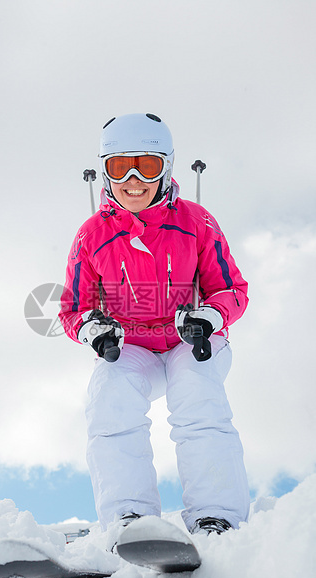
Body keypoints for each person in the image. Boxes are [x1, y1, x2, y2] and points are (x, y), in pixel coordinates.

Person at [59, 113, 250, 546]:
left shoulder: (195, 221)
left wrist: (209, 318)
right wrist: (92, 329)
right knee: (110, 399)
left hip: (191, 340)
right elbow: (74, 306)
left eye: (146, 166)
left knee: (198, 398)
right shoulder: (92, 235)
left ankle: (216, 517)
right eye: (118, 167)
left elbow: (231, 289)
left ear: (167, 166)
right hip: (131, 347)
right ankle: (130, 516)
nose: (132, 180)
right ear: (105, 171)